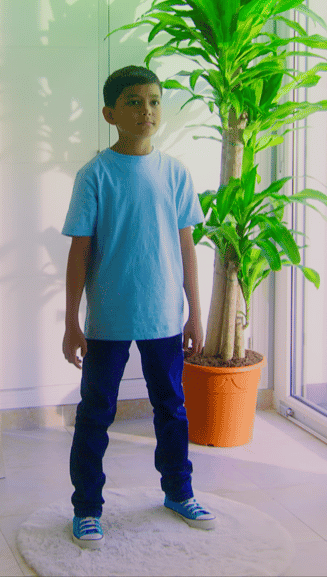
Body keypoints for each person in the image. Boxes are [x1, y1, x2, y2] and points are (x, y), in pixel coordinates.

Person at [61, 65, 216, 549]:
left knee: (171, 408)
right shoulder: (95, 175)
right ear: (110, 114)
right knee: (95, 413)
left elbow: (187, 248)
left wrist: (195, 313)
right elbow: (79, 252)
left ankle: (179, 492)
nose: (146, 111)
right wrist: (71, 322)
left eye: (153, 101)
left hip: (164, 316)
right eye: (133, 102)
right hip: (107, 319)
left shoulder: (175, 173)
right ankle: (87, 508)